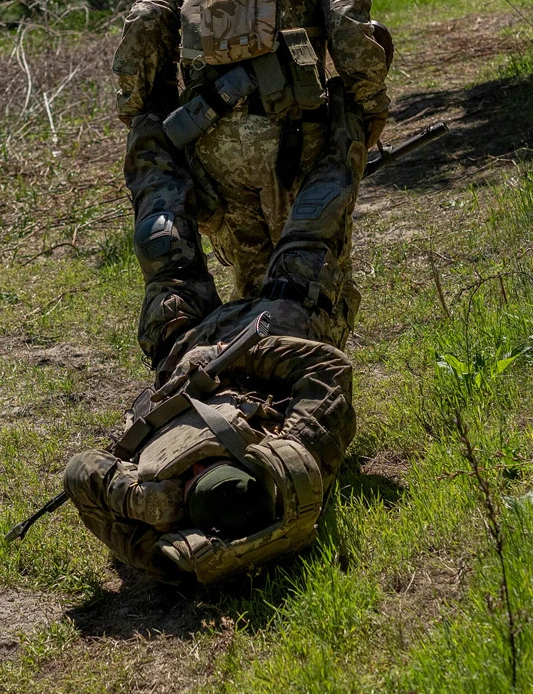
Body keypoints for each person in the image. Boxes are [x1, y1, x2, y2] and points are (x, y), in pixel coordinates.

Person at [65, 123, 359, 584]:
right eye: (215, 459)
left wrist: (132, 497)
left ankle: (148, 119)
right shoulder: (301, 457)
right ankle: (348, 115)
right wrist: (236, 355)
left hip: (178, 346)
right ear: (253, 462)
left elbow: (81, 472)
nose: (196, 460)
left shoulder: (162, 534)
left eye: (192, 471)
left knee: (157, 234)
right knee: (323, 202)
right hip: (278, 326)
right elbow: (328, 367)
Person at [113, 0, 390, 351]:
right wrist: (370, 104)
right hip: (299, 139)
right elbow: (350, 28)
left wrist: (138, 111)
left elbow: (142, 23)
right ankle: (307, 377)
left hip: (209, 143)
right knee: (310, 275)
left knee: (254, 274)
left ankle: (243, 376)